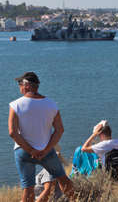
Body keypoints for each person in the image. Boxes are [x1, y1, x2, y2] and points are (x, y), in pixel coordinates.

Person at [8, 72, 73, 202]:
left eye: (20, 84)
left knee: (28, 189)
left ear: (27, 86)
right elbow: (60, 130)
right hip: (46, 151)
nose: (19, 87)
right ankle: (75, 200)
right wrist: (47, 149)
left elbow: (12, 133)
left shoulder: (15, 105)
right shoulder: (51, 104)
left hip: (23, 152)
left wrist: (31, 150)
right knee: (62, 178)